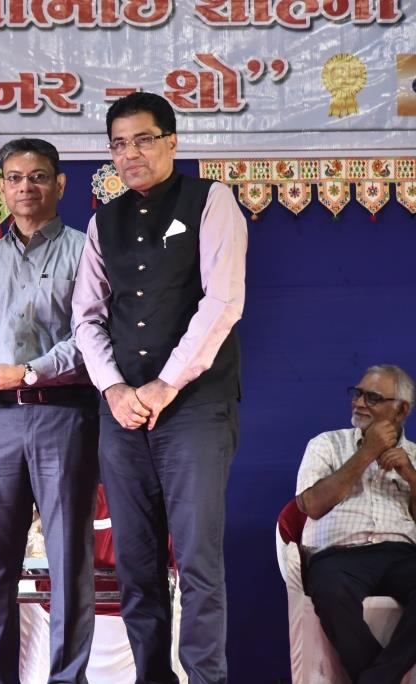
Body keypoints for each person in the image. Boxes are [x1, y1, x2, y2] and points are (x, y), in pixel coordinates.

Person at [73, 91, 247, 684]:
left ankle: (205, 678)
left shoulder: (211, 201)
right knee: (136, 564)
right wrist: (114, 389)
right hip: (123, 413)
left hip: (194, 407)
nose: (131, 154)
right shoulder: (103, 221)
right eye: (118, 144)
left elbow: (223, 302)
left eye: (143, 140)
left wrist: (166, 384)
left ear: (172, 141)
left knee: (196, 560)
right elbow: (86, 318)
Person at [0, 138, 100, 684]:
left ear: (59, 184)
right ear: (1, 188)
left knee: (68, 561)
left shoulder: (86, 251)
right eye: (14, 178)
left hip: (62, 414)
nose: (25, 187)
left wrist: (29, 372)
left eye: (38, 176)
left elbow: (92, 339)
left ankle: (67, 677)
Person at [296, 364, 416, 683]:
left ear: (401, 410)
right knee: (330, 590)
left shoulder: (415, 456)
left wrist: (411, 476)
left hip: (402, 555)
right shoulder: (326, 444)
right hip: (340, 555)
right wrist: (367, 453)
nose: (359, 403)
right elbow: (311, 506)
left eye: (372, 397)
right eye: (357, 393)